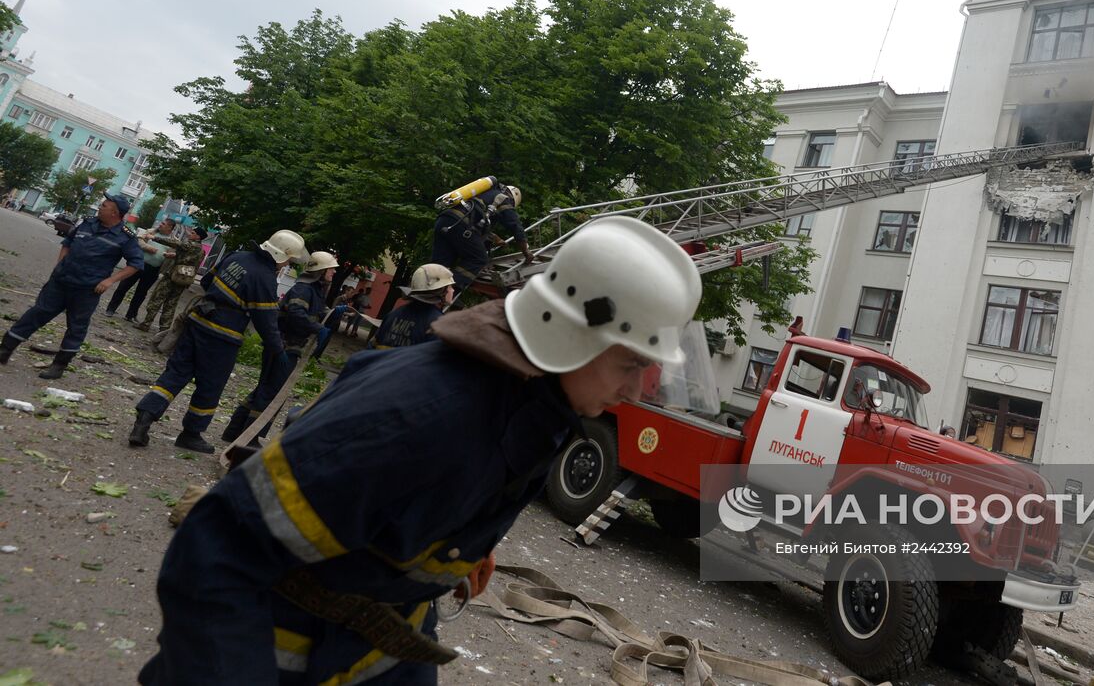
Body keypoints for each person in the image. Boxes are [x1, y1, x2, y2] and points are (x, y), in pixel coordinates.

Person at [137, 216, 701, 685]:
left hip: (378, 643)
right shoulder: (420, 414)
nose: (635, 390)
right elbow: (218, 551)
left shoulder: (534, 403)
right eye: (632, 363)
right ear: (569, 334)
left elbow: (422, 488)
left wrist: (453, 541)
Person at [128, 230, 308, 454]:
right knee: (210, 386)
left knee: (175, 374)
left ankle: (144, 420)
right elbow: (266, 322)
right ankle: (191, 434)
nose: (288, 265)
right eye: (289, 260)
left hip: (197, 321)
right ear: (282, 256)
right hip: (223, 336)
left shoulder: (237, 256)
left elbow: (206, 280)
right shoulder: (264, 278)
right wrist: (278, 351)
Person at [0, 194, 144, 380]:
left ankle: (59, 365)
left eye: (104, 205)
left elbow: (136, 264)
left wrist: (109, 281)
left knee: (76, 327)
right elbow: (67, 244)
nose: (100, 207)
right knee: (36, 313)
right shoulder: (86, 223)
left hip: (87, 289)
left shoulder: (125, 237)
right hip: (61, 282)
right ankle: (5, 350)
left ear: (115, 212)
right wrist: (60, 265)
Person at [222, 251, 338, 443]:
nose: (334, 272)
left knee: (264, 389)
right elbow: (296, 314)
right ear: (321, 269)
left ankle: (234, 432)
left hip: (287, 346)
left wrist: (331, 314)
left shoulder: (314, 290)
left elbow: (313, 311)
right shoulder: (304, 289)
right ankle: (250, 439)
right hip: (284, 347)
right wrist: (317, 328)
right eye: (331, 268)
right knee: (272, 394)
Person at [429, 178, 534, 290]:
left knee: (441, 263)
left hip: (445, 220)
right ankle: (450, 290)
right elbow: (515, 226)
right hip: (460, 224)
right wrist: (526, 251)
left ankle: (428, 289)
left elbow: (479, 224)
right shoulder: (504, 198)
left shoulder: (484, 194)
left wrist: (495, 238)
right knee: (478, 259)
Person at [136, 226, 208, 333]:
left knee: (157, 299)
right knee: (171, 304)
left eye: (192, 233)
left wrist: (153, 237)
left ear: (198, 236)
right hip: (184, 279)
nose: (189, 234)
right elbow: (189, 259)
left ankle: (146, 324)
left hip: (172, 276)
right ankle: (164, 330)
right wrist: (174, 255)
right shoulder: (201, 250)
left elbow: (174, 243)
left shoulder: (189, 244)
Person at [370, 263, 453, 349]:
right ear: (441, 291)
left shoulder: (393, 315)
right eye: (450, 286)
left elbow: (372, 347)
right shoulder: (438, 324)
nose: (453, 290)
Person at [106, 218, 176, 320]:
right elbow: (137, 240)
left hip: (153, 269)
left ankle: (131, 315)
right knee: (123, 286)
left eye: (163, 224)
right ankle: (111, 309)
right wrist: (148, 247)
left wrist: (170, 256)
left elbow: (174, 255)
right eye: (161, 222)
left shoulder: (173, 241)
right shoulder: (150, 232)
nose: (160, 224)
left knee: (141, 293)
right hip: (137, 264)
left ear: (170, 227)